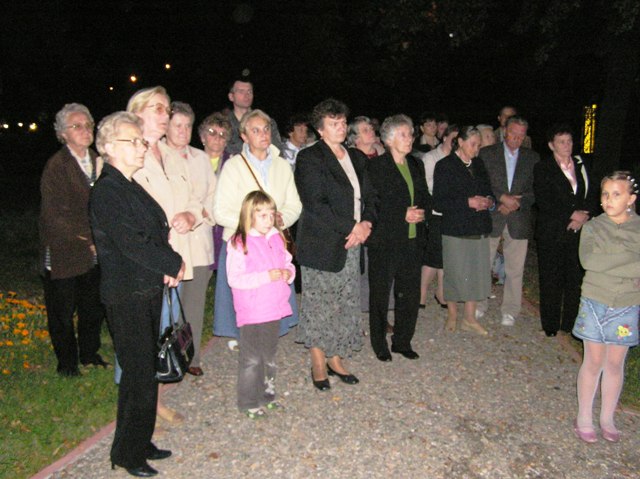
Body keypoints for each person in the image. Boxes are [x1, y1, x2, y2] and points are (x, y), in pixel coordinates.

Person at [90, 111, 184, 477]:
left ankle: (140, 441)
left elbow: (154, 230)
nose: (142, 147)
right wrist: (171, 262)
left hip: (145, 288)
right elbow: (132, 242)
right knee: (138, 374)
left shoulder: (129, 184)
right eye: (134, 141)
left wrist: (166, 262)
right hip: (127, 294)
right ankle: (127, 454)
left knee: (145, 371)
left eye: (142, 141)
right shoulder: (107, 191)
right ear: (109, 147)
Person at [127, 86, 202, 423]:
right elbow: (131, 218)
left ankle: (154, 403)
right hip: (147, 263)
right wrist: (159, 260)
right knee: (141, 339)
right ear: (137, 111)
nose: (165, 115)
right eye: (157, 108)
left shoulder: (171, 155)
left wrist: (191, 215)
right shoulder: (130, 155)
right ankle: (138, 413)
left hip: (175, 260)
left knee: (163, 335)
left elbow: (194, 198)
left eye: (167, 109)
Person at [294, 99, 377, 389]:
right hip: (322, 242)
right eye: (333, 123)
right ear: (320, 129)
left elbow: (371, 197)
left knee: (345, 302)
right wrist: (352, 226)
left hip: (354, 241)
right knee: (320, 303)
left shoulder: (356, 157)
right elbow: (315, 203)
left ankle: (336, 357)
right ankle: (318, 360)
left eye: (342, 122)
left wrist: (366, 224)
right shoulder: (310, 158)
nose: (341, 127)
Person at [213, 109, 301, 340]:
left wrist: (281, 219)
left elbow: (295, 204)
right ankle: (248, 347)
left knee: (273, 298)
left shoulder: (282, 166)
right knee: (246, 302)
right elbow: (220, 212)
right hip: (242, 246)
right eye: (255, 130)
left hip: (273, 245)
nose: (263, 134)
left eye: (266, 129)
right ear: (244, 136)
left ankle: (268, 342)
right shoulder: (233, 166)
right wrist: (254, 226)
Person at [39, 103, 106, 376]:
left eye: (88, 125)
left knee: (92, 308)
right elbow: (54, 215)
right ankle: (67, 364)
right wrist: (90, 238)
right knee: (62, 312)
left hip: (93, 251)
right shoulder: (57, 166)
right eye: (77, 126)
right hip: (63, 250)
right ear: (63, 133)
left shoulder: (99, 161)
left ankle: (89, 354)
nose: (85, 130)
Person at [572, 171, 639, 443]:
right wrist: (630, 257)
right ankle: (584, 417)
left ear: (631, 199)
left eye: (617, 194)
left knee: (614, 363)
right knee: (594, 361)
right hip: (595, 301)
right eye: (605, 194)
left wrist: (611, 259)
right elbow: (589, 262)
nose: (609, 200)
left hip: (626, 304)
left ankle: (607, 418)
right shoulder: (593, 227)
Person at [227, 190, 295, 418]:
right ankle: (248, 401)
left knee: (269, 357)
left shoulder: (276, 238)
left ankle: (267, 396)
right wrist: (266, 277)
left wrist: (288, 273)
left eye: (271, 214)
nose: (268, 220)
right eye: (262, 215)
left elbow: (287, 262)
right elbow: (234, 279)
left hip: (273, 308)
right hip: (253, 310)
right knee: (251, 359)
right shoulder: (240, 243)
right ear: (249, 215)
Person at [367, 114, 429, 361]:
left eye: (410, 134)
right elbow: (373, 204)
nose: (409, 138)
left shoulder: (416, 164)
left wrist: (422, 212)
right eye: (403, 134)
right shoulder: (376, 167)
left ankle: (402, 341)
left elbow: (424, 196)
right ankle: (379, 342)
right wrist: (401, 214)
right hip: (386, 240)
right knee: (380, 294)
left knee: (409, 294)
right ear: (389, 139)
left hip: (412, 240)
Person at [165, 101, 216, 377]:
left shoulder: (200, 158)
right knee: (169, 304)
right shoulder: (157, 156)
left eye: (187, 126)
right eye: (177, 125)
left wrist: (197, 215)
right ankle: (166, 356)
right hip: (172, 242)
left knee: (194, 303)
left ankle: (191, 355)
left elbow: (212, 196)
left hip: (199, 241)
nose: (183, 131)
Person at [533, 124, 596, 336]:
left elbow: (592, 193)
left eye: (569, 141)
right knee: (551, 279)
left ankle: (570, 324)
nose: (567, 145)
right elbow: (545, 200)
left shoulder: (581, 165)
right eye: (561, 142)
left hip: (578, 231)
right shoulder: (543, 168)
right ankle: (550, 325)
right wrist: (571, 214)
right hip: (553, 231)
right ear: (552, 145)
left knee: (574, 279)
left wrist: (584, 215)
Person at [477, 116, 539, 326]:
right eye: (513, 133)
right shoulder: (488, 154)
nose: (517, 138)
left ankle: (510, 310)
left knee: (515, 268)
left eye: (521, 135)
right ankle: (479, 303)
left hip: (518, 218)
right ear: (505, 131)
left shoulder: (532, 158)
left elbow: (536, 190)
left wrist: (517, 203)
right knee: (483, 263)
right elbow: (482, 183)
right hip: (492, 215)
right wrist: (501, 199)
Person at [433, 126, 495, 335]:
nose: (476, 149)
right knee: (455, 272)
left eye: (479, 145)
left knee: (476, 273)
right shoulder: (445, 166)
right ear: (460, 142)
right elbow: (439, 201)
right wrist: (467, 202)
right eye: (473, 144)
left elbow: (488, 190)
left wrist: (489, 201)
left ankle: (469, 317)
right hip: (456, 227)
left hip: (479, 226)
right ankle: (452, 314)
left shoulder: (479, 164)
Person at [419, 124, 459, 309]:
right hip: (436, 212)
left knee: (447, 255)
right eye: (453, 139)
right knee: (434, 254)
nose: (456, 143)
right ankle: (421, 292)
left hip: (453, 213)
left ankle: (442, 292)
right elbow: (426, 184)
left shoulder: (459, 159)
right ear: (444, 138)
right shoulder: (431, 157)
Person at [198, 112, 232, 271]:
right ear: (202, 137)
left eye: (222, 135)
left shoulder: (233, 163)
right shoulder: (191, 160)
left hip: (223, 228)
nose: (217, 137)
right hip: (198, 226)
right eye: (212, 132)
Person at [226, 77, 283, 155]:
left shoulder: (267, 122)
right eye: (241, 91)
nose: (247, 95)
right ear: (231, 96)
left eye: (249, 91)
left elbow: (278, 152)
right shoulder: (223, 124)